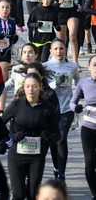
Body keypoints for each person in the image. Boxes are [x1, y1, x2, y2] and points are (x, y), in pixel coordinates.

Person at [2, 73, 60, 200]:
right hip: (16, 156)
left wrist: (49, 137)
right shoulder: (16, 105)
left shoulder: (47, 108)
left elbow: (57, 134)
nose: (31, 90)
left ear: (40, 86)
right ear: (24, 87)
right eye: (28, 86)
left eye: (34, 86)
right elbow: (0, 125)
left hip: (36, 157)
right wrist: (11, 136)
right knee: (19, 194)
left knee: (33, 194)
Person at [43, 38, 80, 182]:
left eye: (62, 48)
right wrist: (55, 83)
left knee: (61, 138)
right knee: (54, 140)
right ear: (51, 51)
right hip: (50, 109)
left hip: (66, 107)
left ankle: (61, 174)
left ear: (66, 50)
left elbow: (77, 80)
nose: (59, 51)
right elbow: (43, 88)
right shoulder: (45, 66)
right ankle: (56, 168)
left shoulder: (72, 66)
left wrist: (79, 96)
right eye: (56, 49)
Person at [69, 54, 96, 198]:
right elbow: (72, 102)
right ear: (89, 67)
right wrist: (75, 108)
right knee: (90, 162)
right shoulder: (84, 83)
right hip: (89, 127)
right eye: (95, 65)